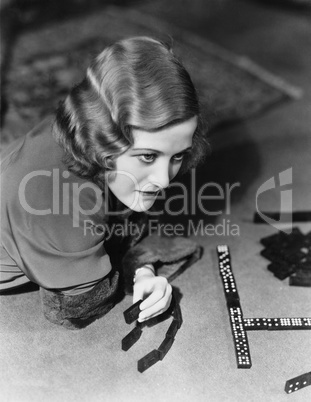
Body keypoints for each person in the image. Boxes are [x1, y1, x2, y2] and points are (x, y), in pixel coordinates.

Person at [0, 36, 207, 329]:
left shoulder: (86, 136)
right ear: (103, 141)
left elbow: (127, 218)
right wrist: (137, 266)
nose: (164, 180)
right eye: (148, 156)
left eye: (177, 156)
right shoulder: (51, 199)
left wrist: (144, 272)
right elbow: (77, 307)